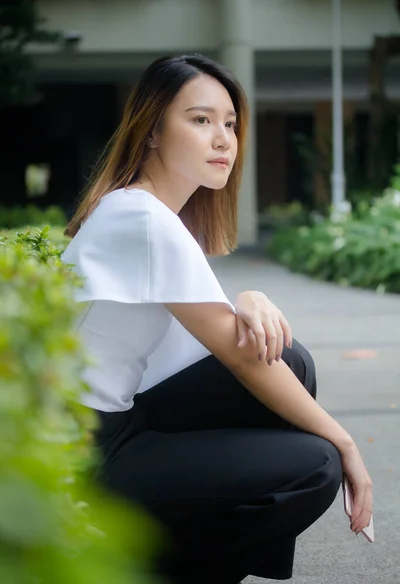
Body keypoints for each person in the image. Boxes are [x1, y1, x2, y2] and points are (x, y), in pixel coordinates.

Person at [62, 53, 373, 584]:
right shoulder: (141, 218)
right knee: (315, 465)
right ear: (153, 131)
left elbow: (219, 336)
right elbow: (236, 355)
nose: (224, 139)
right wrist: (346, 444)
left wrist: (248, 298)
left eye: (229, 123)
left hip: (118, 419)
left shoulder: (144, 211)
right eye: (200, 120)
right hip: (82, 453)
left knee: (287, 359)